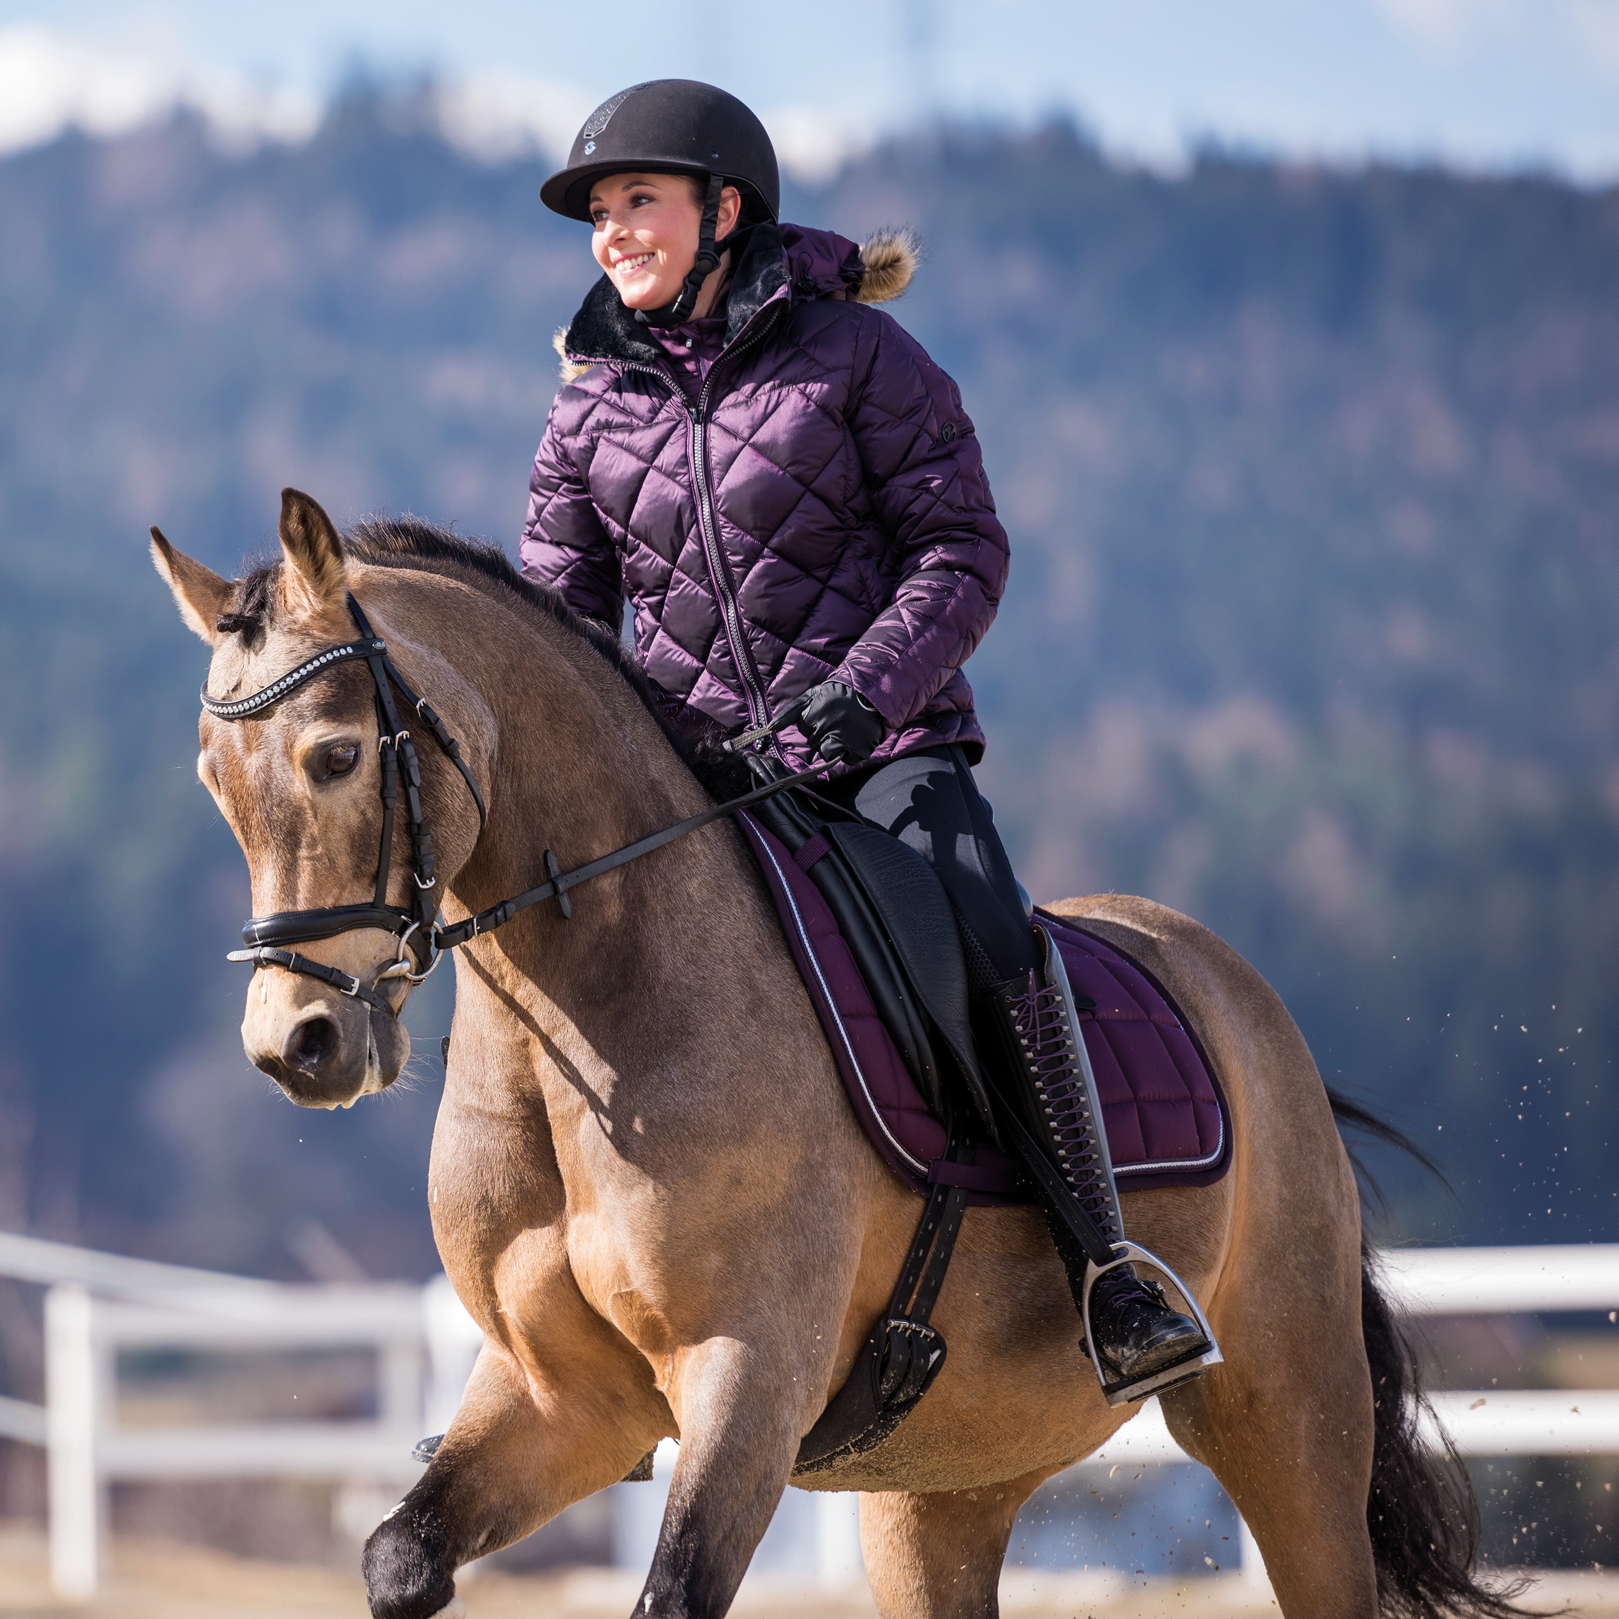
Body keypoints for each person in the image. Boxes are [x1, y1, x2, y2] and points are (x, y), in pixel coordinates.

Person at [521, 78, 1213, 1402]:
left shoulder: (859, 359)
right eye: (601, 214)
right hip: (694, 781)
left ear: (725, 211)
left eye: (639, 204)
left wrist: (863, 692)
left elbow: (960, 553)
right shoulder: (586, 409)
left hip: (877, 748)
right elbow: (564, 624)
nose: (613, 233)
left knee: (988, 928)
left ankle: (1107, 1265)